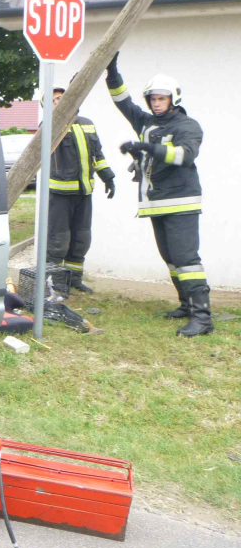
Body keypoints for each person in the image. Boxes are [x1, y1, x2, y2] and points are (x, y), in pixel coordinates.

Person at [106, 52, 212, 336]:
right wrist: (112, 73)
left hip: (181, 202)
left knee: (186, 259)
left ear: (173, 98)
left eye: (161, 98)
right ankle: (187, 306)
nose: (156, 103)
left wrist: (148, 149)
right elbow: (123, 102)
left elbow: (185, 155)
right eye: (152, 98)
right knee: (171, 258)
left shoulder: (187, 126)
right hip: (156, 203)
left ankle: (203, 318)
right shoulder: (146, 122)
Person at [45, 80, 116, 293]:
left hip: (84, 192)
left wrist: (108, 177)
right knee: (59, 240)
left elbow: (98, 155)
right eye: (55, 100)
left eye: (62, 98)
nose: (60, 102)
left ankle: (74, 280)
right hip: (60, 195)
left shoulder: (87, 123)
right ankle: (55, 283)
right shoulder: (48, 127)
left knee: (81, 238)